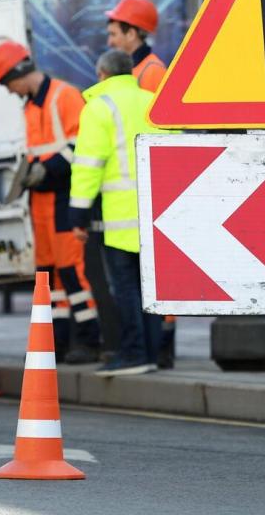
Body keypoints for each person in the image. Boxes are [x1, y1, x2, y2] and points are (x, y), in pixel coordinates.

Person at [0, 41, 102, 364]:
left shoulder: (63, 96)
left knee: (71, 271)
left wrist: (44, 169)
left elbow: (81, 145)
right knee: (49, 274)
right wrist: (28, 174)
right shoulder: (30, 106)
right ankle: (60, 340)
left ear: (18, 73)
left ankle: (89, 339)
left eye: (7, 83)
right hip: (42, 200)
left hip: (65, 197)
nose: (9, 91)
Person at [68, 50, 165, 377]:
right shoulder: (153, 102)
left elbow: (87, 167)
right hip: (157, 214)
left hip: (120, 219)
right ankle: (151, 353)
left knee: (124, 288)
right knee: (150, 289)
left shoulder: (99, 107)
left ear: (102, 74)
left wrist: (77, 214)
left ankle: (133, 353)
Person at [106, 0, 177, 368]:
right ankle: (152, 349)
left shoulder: (151, 73)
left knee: (148, 278)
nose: (111, 40)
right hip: (135, 192)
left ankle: (158, 348)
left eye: (115, 32)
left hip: (147, 192)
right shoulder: (136, 71)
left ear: (134, 33)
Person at [106, 0, 167, 93]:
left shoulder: (154, 72)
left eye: (113, 34)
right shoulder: (125, 69)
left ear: (131, 34)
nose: (109, 42)